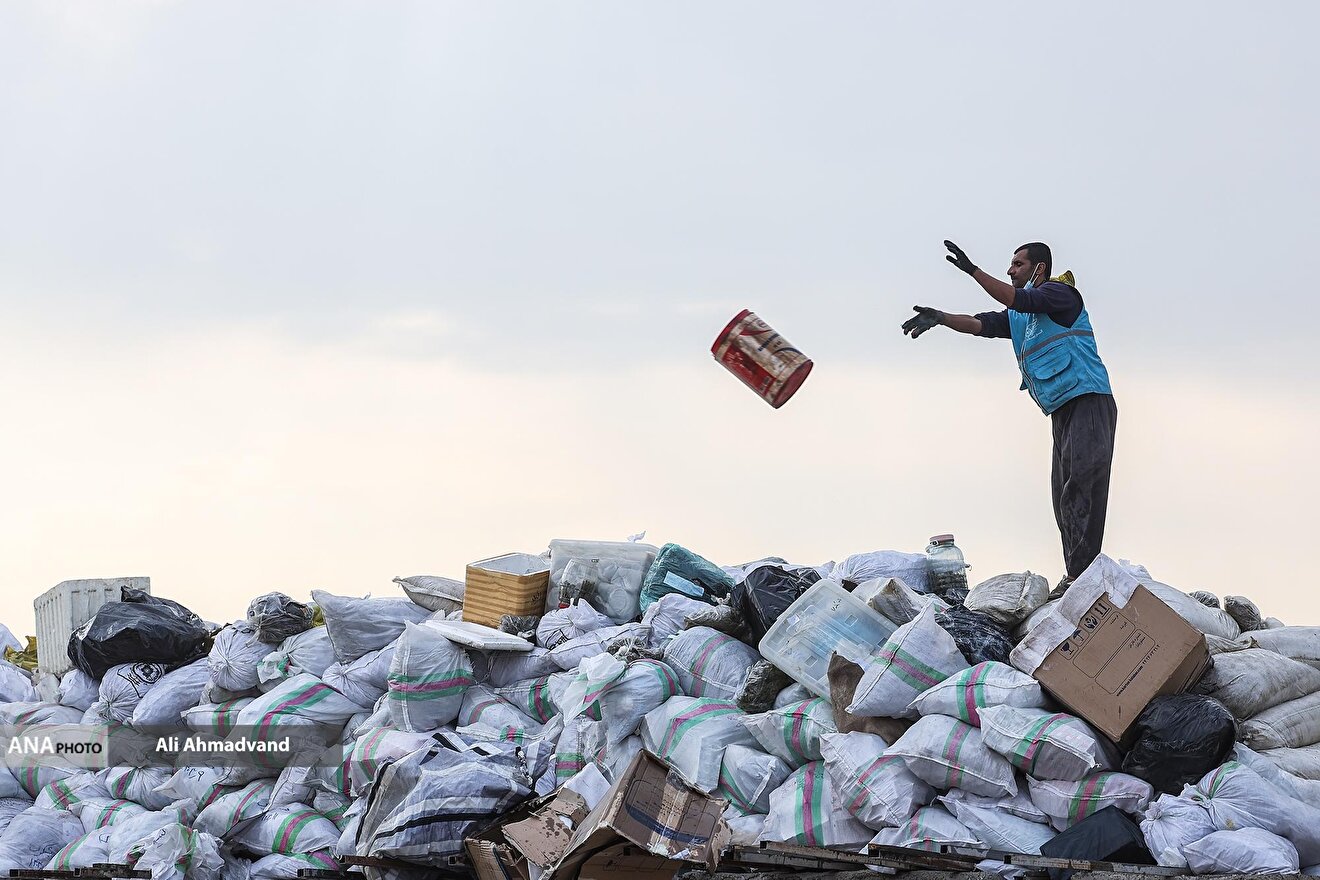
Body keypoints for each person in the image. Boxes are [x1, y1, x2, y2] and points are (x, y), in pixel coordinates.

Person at [901, 240, 1117, 596]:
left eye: (1017, 264)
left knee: (1082, 487)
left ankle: (1083, 578)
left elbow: (1021, 300)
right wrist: (941, 318)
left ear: (1039, 269)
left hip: (1089, 400)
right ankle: (1077, 573)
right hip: (1063, 409)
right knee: (1063, 495)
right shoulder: (1020, 318)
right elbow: (981, 324)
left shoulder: (1060, 295)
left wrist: (973, 271)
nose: (1010, 270)